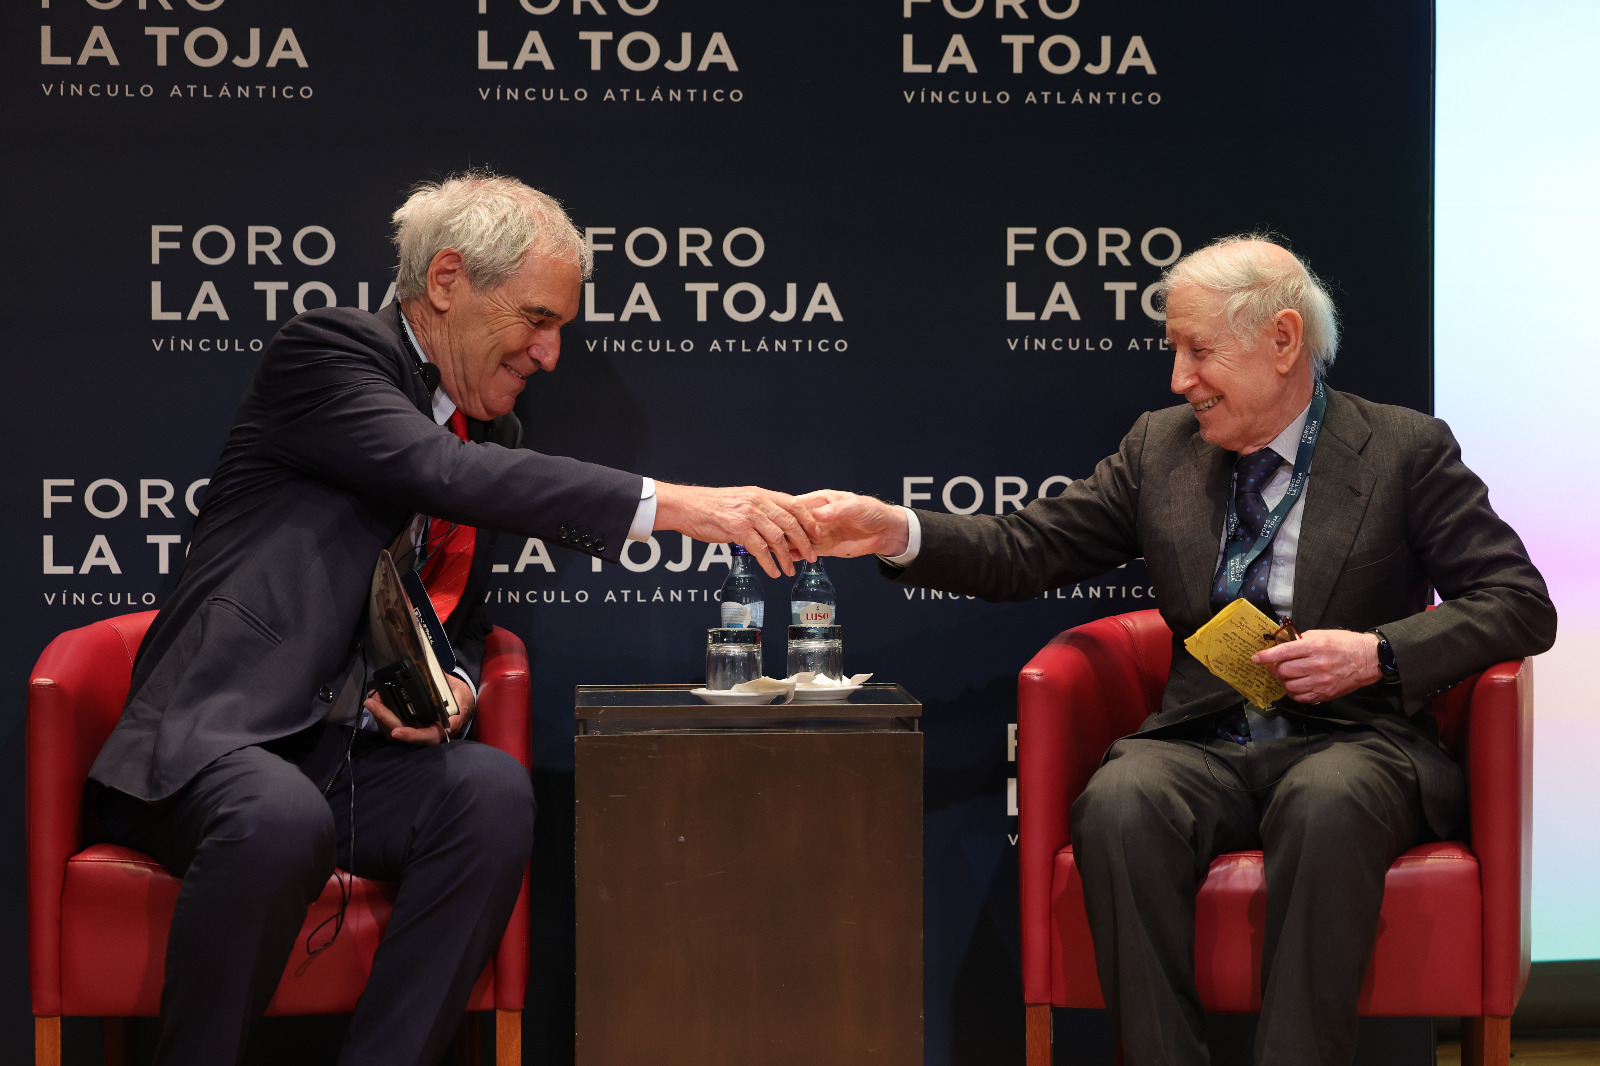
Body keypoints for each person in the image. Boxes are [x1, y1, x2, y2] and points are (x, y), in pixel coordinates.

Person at [87, 171, 819, 1066]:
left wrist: (456, 683)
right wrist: (680, 506)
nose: (550, 355)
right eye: (537, 319)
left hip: (351, 756)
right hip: (222, 740)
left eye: (561, 329)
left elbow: (455, 609)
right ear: (445, 283)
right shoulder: (329, 355)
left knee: (490, 793)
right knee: (278, 816)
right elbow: (439, 475)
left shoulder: (489, 432)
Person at [799, 236, 1555, 1066]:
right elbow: (1025, 548)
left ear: (1281, 341)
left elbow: (1518, 603)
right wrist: (895, 530)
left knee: (1328, 799)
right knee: (1121, 801)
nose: (1178, 379)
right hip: (1205, 740)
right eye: (1175, 352)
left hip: (1355, 739)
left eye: (1199, 352)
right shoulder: (1160, 449)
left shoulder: (1404, 450)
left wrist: (1377, 652)